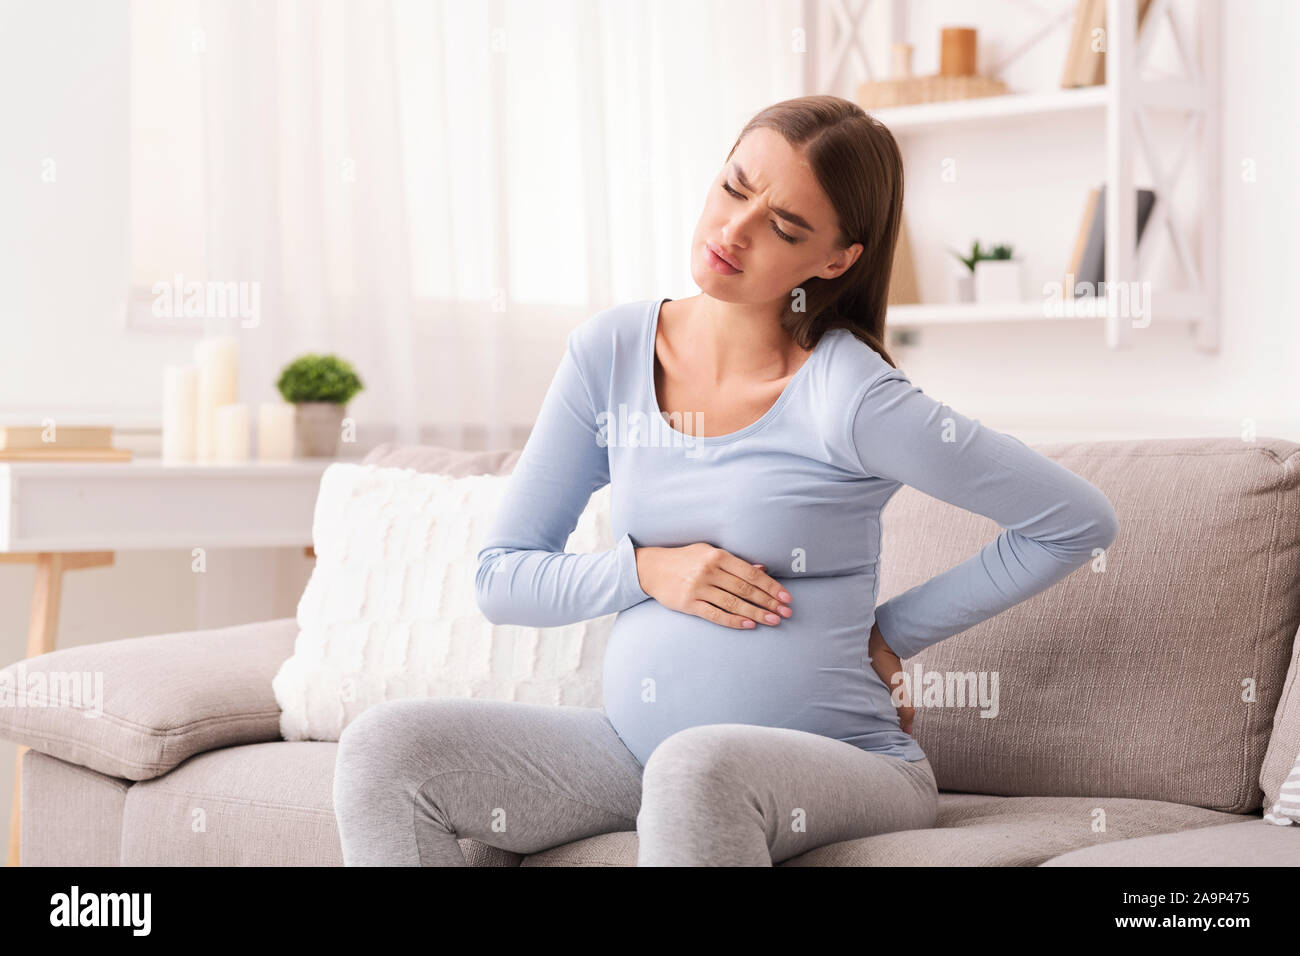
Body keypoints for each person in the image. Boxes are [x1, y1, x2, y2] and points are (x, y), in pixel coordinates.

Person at [333, 94, 1119, 866]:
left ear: (837, 260)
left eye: (783, 227)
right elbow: (500, 578)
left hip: (843, 761)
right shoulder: (608, 355)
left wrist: (888, 631)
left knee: (695, 768)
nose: (733, 231)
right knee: (387, 752)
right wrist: (644, 571)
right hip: (633, 751)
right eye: (734, 187)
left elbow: (1074, 521)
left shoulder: (851, 397)